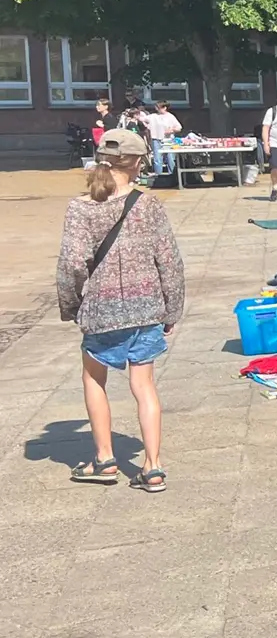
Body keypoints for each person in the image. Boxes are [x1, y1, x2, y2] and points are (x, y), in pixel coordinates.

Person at [56, 129, 185, 493]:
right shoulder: (148, 205)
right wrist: (172, 310)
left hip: (101, 310)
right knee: (144, 385)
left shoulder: (80, 208)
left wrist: (71, 305)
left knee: (94, 379)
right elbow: (170, 262)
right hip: (146, 309)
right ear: (138, 163)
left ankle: (104, 459)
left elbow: (72, 265)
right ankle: (153, 467)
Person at [144, 100, 181, 178]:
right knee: (157, 158)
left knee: (170, 158)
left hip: (168, 140)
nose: (157, 109)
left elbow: (179, 127)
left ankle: (172, 175)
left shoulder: (170, 116)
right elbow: (143, 119)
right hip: (156, 139)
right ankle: (158, 176)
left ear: (165, 108)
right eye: (156, 107)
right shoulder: (153, 116)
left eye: (159, 108)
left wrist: (172, 130)